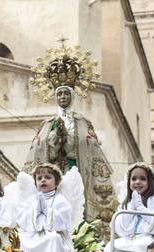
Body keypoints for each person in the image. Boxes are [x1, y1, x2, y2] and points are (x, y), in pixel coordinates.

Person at [24, 83, 117, 226]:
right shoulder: (47, 124)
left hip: (76, 170)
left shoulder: (83, 122)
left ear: (72, 96)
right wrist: (54, 139)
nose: (63, 97)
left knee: (75, 201)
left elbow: (91, 145)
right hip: (52, 173)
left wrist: (70, 141)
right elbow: (38, 145)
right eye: (59, 94)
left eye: (66, 93)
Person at [13, 163, 76, 252]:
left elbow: (63, 222)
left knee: (52, 240)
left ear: (56, 182)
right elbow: (22, 218)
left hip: (53, 235)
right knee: (20, 242)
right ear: (35, 183)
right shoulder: (30, 200)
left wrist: (47, 211)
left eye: (48, 177)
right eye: (39, 178)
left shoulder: (60, 200)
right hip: (31, 234)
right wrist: (36, 210)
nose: (43, 180)